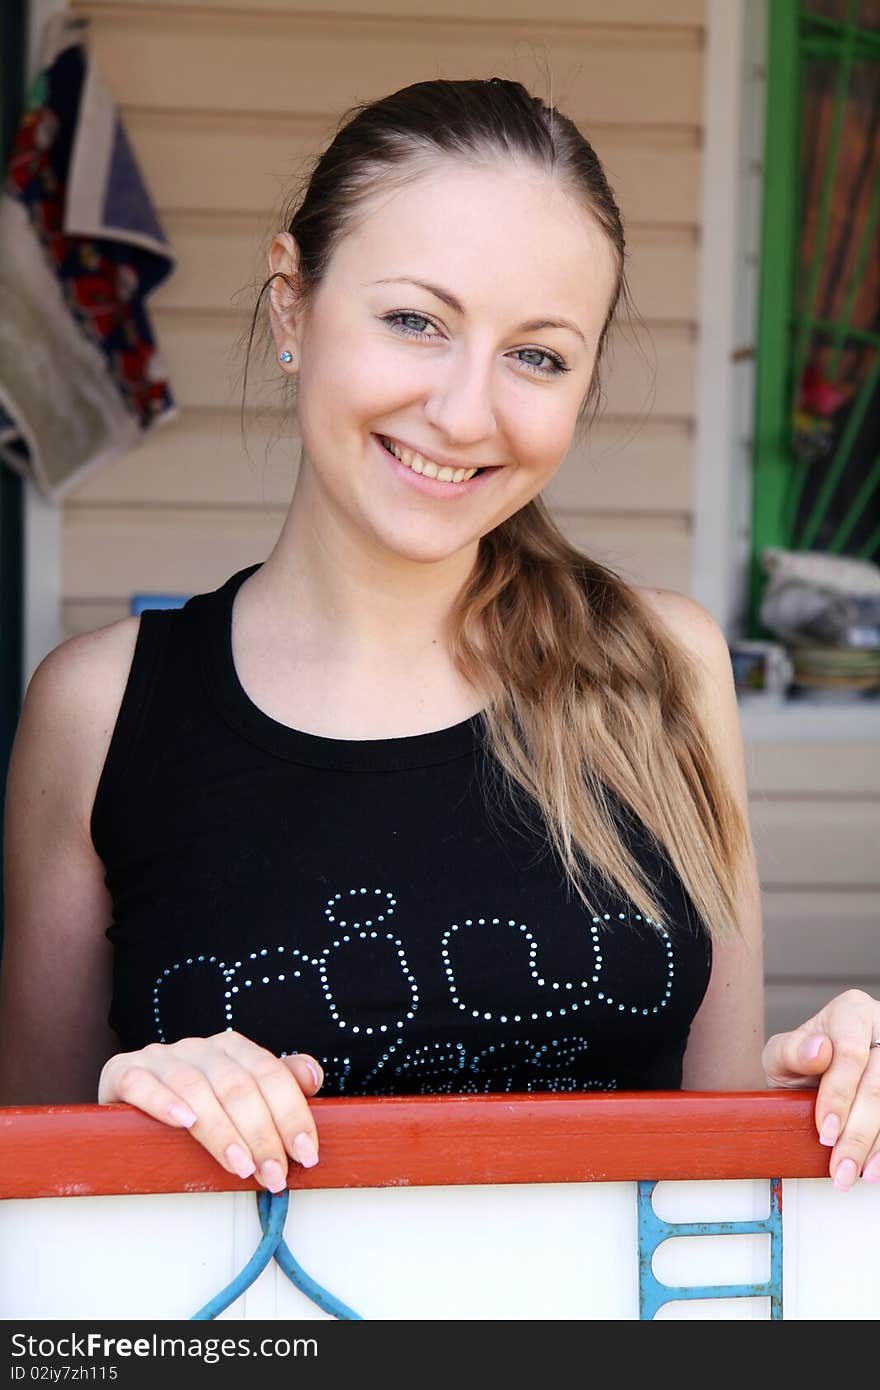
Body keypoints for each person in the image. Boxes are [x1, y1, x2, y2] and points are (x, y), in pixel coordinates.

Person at [1, 79, 878, 1203]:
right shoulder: (97, 711)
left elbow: (709, 1138)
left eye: (538, 356)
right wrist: (136, 1110)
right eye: (415, 320)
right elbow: (30, 1203)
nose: (466, 414)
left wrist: (825, 1089)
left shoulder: (666, 668)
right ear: (290, 304)